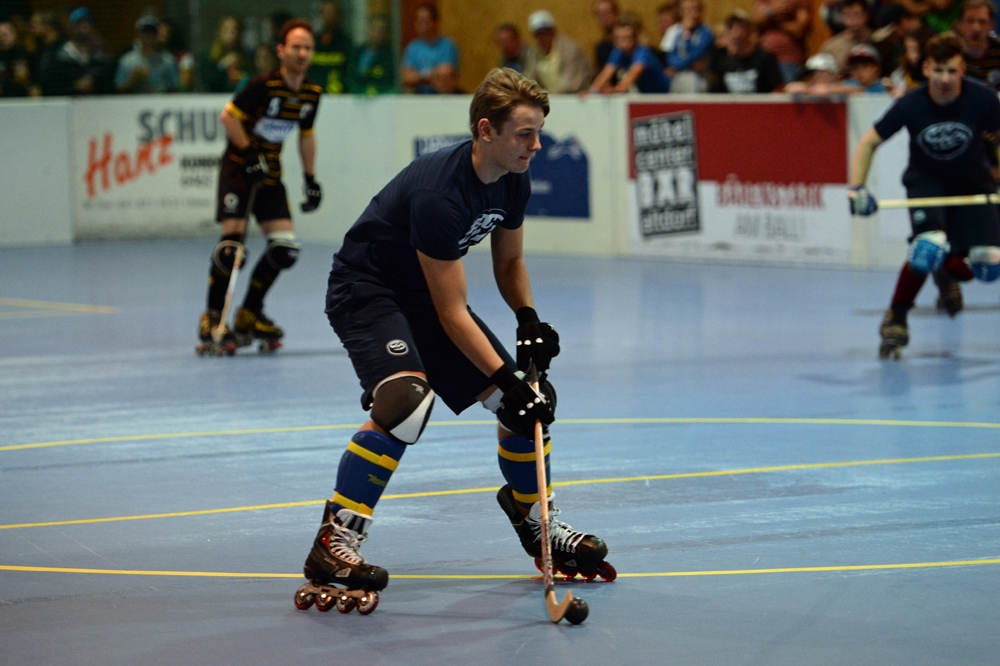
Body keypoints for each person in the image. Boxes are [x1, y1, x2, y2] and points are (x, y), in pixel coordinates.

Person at [293, 68, 613, 611]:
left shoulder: (513, 176)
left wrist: (528, 320)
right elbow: (451, 311)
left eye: (538, 133)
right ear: (486, 130)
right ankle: (335, 539)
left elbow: (509, 262)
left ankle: (536, 521)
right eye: (525, 134)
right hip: (369, 290)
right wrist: (509, 378)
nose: (536, 146)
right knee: (407, 403)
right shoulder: (440, 193)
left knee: (528, 406)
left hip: (426, 297)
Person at [849, 32, 1000, 358]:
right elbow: (869, 142)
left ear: (963, 70)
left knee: (989, 266)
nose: (944, 79)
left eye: (952, 71)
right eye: (938, 70)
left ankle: (945, 270)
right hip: (927, 181)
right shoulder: (911, 103)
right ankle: (897, 316)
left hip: (974, 182)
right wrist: (857, 188)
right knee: (927, 248)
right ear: (927, 68)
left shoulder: (984, 98)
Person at [198, 19, 323, 355]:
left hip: (270, 173)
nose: (302, 54)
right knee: (232, 247)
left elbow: (306, 136)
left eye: (307, 48)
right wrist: (250, 153)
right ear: (281, 51)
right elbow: (229, 116)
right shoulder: (263, 85)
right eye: (295, 47)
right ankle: (212, 317)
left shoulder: (311, 94)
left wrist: (310, 179)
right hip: (239, 169)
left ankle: (249, 312)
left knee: (285, 248)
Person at [589, 15, 671, 94]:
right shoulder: (618, 52)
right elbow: (605, 73)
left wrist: (612, 91)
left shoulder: (643, 52)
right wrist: (592, 92)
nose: (622, 43)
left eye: (626, 38)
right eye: (617, 38)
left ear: (635, 38)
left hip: (665, 93)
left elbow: (630, 78)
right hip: (646, 94)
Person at [709, 9, 783, 93]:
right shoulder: (723, 63)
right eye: (731, 27)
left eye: (739, 27)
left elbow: (778, 88)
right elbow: (717, 94)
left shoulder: (765, 58)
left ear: (749, 30)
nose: (735, 32)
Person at [38, 6, 108, 95]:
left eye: (88, 23)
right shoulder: (59, 54)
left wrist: (93, 83)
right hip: (65, 101)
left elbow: (108, 82)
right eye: (79, 24)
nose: (84, 28)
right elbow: (48, 85)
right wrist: (73, 86)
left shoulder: (98, 56)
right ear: (71, 26)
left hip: (94, 101)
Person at [522, 10, 592, 93]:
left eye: (546, 32)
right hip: (549, 97)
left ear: (553, 31)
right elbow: (529, 78)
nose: (543, 37)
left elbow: (570, 82)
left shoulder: (570, 49)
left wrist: (546, 95)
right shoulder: (534, 52)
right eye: (538, 34)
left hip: (575, 96)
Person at [400, 3, 459, 94]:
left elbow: (444, 76)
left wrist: (418, 77)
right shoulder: (413, 47)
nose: (422, 25)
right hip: (418, 97)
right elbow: (406, 77)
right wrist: (430, 76)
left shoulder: (447, 46)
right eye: (419, 21)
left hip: (442, 96)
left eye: (425, 21)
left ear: (435, 22)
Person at [114, 14, 179, 93]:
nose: (148, 36)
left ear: (157, 35)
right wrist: (134, 77)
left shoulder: (167, 60)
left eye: (152, 32)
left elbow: (175, 87)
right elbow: (119, 88)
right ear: (139, 34)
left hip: (159, 99)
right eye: (145, 32)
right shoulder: (127, 61)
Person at [754, 0, 812, 83]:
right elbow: (755, 21)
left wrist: (775, 22)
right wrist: (772, 11)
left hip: (789, 60)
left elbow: (799, 30)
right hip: (764, 59)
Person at [661, 0, 714, 92]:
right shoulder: (673, 31)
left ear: (700, 11)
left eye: (694, 9)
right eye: (687, 10)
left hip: (696, 76)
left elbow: (696, 55)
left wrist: (687, 37)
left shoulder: (706, 32)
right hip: (676, 77)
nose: (690, 13)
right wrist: (681, 64)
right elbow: (671, 59)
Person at [309, 0, 352, 94]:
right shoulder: (313, 42)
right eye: (325, 13)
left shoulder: (346, 43)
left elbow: (350, 72)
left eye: (332, 13)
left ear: (339, 16)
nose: (328, 16)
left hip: (339, 96)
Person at [955, 0, 1000, 90]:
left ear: (992, 25)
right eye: (970, 21)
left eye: (982, 22)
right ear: (959, 24)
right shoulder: (949, 52)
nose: (976, 28)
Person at [818, 0, 873, 73]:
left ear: (866, 15)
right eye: (847, 15)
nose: (852, 21)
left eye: (856, 14)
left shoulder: (878, 40)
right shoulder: (831, 47)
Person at [201, 16, 249, 93]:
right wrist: (222, 65)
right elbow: (208, 82)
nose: (232, 34)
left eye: (235, 30)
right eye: (227, 30)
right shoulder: (208, 57)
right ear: (220, 32)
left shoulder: (245, 56)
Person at [351, 14, 396, 95]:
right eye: (375, 28)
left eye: (381, 30)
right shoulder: (357, 53)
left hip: (382, 97)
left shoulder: (389, 55)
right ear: (369, 29)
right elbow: (351, 77)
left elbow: (389, 81)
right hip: (359, 97)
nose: (377, 33)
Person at [592, 0, 619, 71]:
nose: (603, 18)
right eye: (599, 14)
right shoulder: (601, 48)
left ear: (616, 13)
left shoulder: (629, 42)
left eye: (607, 12)